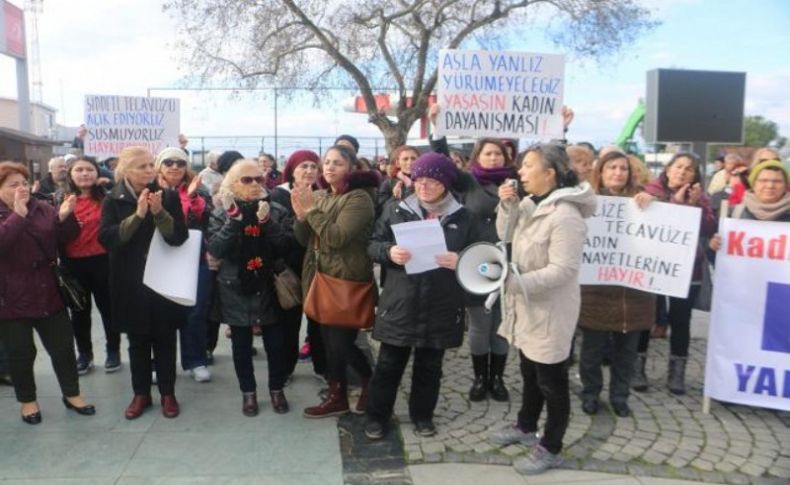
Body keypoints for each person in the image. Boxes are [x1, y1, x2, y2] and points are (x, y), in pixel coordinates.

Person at [490, 143, 595, 475]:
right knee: (529, 372)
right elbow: (503, 235)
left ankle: (551, 446)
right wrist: (506, 206)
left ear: (549, 174)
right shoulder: (528, 203)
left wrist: (513, 284)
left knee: (552, 382)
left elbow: (562, 270)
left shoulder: (565, 216)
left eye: (528, 166)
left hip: (550, 311)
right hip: (527, 308)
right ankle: (525, 426)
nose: (520, 172)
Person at [365, 152, 478, 440]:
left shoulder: (464, 216)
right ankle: (377, 416)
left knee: (430, 366)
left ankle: (422, 416)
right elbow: (373, 244)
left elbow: (483, 258)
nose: (424, 186)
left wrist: (461, 259)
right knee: (389, 364)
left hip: (441, 302)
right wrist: (388, 252)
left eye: (432, 180)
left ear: (446, 183)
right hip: (401, 301)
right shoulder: (395, 209)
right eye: (419, 179)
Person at [428, 105, 517, 403]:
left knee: (502, 324)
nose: (493, 158)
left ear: (507, 158)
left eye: (499, 154)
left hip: (509, 261)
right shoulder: (469, 181)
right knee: (480, 323)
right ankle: (480, 378)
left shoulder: (517, 183)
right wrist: (437, 127)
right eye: (488, 153)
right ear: (477, 156)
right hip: (475, 260)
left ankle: (498, 378)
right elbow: (442, 162)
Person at [0, 161, 96, 424]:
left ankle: (72, 394)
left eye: (23, 183)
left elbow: (63, 238)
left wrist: (65, 217)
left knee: (63, 347)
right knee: (21, 352)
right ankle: (28, 401)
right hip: (10, 295)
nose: (21, 188)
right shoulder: (13, 212)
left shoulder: (42, 207)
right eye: (12, 185)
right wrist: (17, 215)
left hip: (47, 289)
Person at [99, 146, 188, 419]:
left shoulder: (168, 196)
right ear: (126, 170)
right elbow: (108, 239)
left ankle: (167, 393)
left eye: (151, 165)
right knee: (137, 342)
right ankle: (141, 394)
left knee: (165, 339)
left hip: (162, 282)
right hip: (129, 283)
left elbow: (179, 237)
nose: (150, 170)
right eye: (142, 166)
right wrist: (137, 216)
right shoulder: (112, 200)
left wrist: (160, 212)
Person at [292, 145, 379, 418]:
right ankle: (338, 395)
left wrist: (311, 212)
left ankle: (368, 380)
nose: (329, 167)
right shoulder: (319, 195)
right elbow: (303, 238)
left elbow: (337, 237)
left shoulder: (359, 199)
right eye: (326, 162)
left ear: (350, 169)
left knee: (341, 343)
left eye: (337, 163)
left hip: (345, 279)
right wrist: (301, 216)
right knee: (327, 342)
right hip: (319, 277)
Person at [208, 159, 291, 415]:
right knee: (241, 346)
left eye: (259, 179)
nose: (254, 184)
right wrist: (234, 221)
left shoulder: (275, 209)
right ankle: (249, 394)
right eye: (247, 179)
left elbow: (286, 247)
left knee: (276, 345)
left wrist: (268, 224)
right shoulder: (221, 212)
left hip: (269, 287)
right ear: (232, 184)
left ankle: (277, 390)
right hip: (235, 287)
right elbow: (216, 249)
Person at [578, 151, 655, 418]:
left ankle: (619, 397)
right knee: (592, 352)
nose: (618, 173)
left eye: (623, 168)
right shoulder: (585, 201)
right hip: (596, 291)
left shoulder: (643, 201)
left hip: (633, 294)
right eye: (612, 168)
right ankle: (590, 393)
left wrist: (653, 205)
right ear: (601, 172)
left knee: (626, 354)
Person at [632, 153, 716, 395]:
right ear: (667, 170)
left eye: (689, 169)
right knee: (647, 318)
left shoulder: (701, 198)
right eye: (678, 166)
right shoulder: (650, 192)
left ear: (695, 175)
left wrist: (696, 205)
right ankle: (638, 368)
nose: (682, 172)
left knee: (681, 320)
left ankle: (677, 372)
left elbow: (710, 228)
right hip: (653, 266)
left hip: (687, 270)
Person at [155, 147, 214, 383]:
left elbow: (206, 219)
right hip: (161, 258)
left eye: (180, 163)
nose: (175, 167)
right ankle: (159, 364)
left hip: (194, 257)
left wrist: (191, 198)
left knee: (196, 311)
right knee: (161, 314)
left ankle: (195, 360)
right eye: (168, 162)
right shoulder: (149, 190)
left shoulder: (199, 190)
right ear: (159, 165)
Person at [60, 156, 121, 375]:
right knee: (79, 312)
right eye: (79, 170)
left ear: (97, 173)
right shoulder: (60, 199)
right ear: (71, 174)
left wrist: (112, 183)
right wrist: (62, 214)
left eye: (89, 170)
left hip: (104, 261)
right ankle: (84, 354)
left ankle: (113, 351)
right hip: (73, 264)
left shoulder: (108, 198)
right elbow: (51, 231)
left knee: (108, 310)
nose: (85, 174)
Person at [270, 150, 326, 382]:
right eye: (304, 166)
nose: (309, 171)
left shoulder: (324, 194)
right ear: (292, 170)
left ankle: (323, 366)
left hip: (319, 266)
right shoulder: (278, 195)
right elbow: (275, 232)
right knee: (288, 321)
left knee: (319, 320)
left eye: (313, 166)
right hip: (290, 266)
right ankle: (285, 368)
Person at [709, 160, 790, 247]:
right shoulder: (733, 213)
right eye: (763, 180)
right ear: (753, 184)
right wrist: (713, 246)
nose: (770, 186)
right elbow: (713, 255)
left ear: (786, 185)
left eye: (777, 181)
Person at [377, 145, 419, 209]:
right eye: (405, 159)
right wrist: (394, 197)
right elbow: (381, 210)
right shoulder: (388, 183)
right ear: (397, 163)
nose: (410, 162)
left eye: (413, 158)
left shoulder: (425, 181)